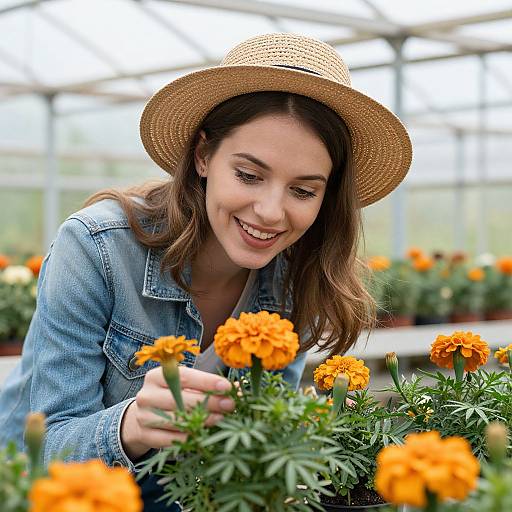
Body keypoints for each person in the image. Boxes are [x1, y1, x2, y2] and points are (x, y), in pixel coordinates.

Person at [0, 33, 411, 510]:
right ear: (202, 156)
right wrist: (132, 423)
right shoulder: (97, 247)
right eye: (249, 176)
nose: (271, 212)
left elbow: (256, 446)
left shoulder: (298, 276)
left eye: (303, 191)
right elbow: (44, 449)